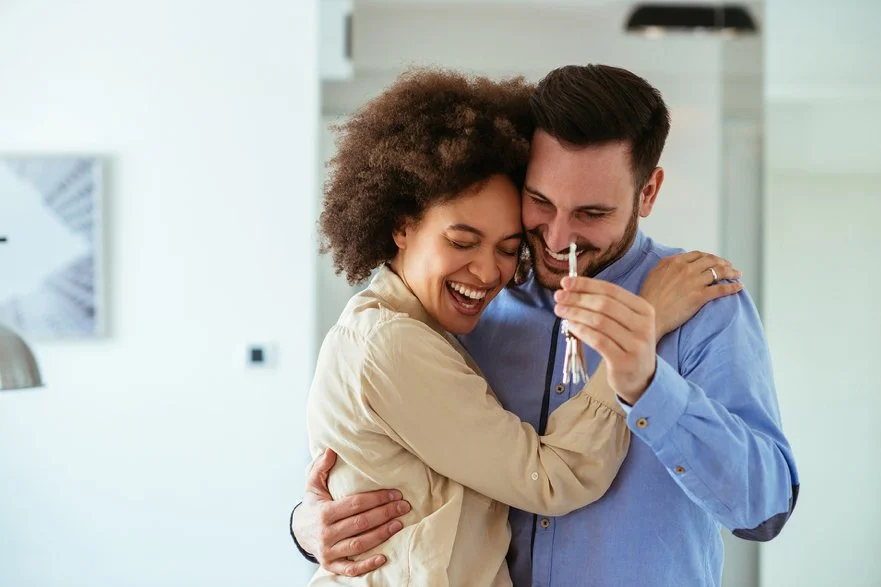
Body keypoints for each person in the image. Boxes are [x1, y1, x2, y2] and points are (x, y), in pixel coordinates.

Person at [299, 68, 744, 586]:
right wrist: (641, 334)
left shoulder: (707, 302)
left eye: (509, 249)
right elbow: (552, 479)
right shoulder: (390, 342)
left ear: (648, 193)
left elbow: (762, 504)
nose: (489, 272)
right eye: (462, 241)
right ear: (401, 226)